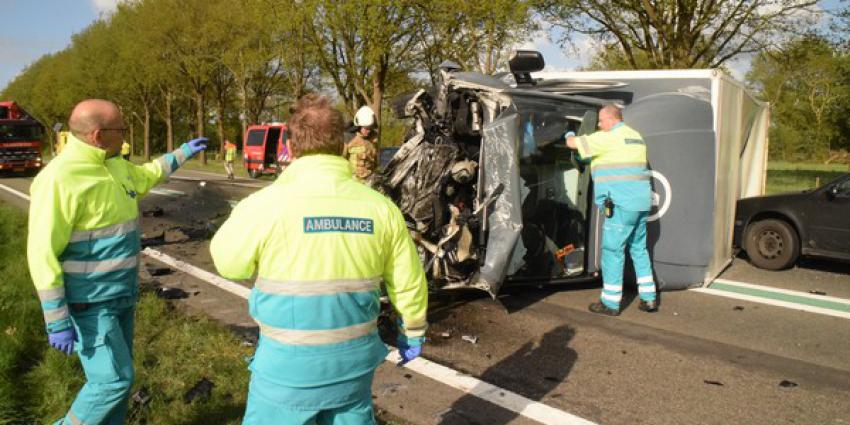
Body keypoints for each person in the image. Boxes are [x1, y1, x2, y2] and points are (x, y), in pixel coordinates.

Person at [210, 94, 428, 425]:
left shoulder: (262, 204)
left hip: (286, 370)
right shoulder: (381, 208)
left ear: (291, 146)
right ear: (342, 145)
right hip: (353, 368)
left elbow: (229, 264)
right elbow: (408, 281)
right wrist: (412, 331)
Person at [27, 99, 208, 425]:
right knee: (112, 382)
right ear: (98, 135)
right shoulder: (59, 179)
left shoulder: (114, 165)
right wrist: (56, 320)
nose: (125, 136)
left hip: (121, 294)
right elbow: (41, 253)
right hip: (91, 302)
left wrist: (181, 154)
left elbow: (145, 175)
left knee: (119, 383)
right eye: (121, 129)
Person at [564, 104, 658, 315]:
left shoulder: (606, 138)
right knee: (639, 249)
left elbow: (572, 144)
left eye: (600, 120)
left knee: (612, 251)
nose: (598, 124)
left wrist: (569, 130)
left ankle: (610, 302)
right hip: (642, 203)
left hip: (621, 205)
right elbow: (614, 160)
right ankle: (649, 298)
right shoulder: (636, 136)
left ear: (611, 119)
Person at [342, 105, 378, 183]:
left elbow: (375, 163)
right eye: (365, 128)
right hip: (353, 183)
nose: (368, 131)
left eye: (370, 128)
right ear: (359, 126)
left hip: (370, 182)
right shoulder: (349, 138)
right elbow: (341, 161)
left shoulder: (373, 140)